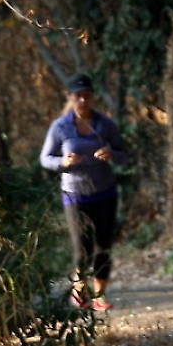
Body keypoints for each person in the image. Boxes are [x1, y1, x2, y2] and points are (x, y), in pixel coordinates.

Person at [39, 73, 128, 311]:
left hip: (105, 192)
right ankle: (79, 288)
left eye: (87, 96)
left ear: (93, 97)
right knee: (82, 248)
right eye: (78, 96)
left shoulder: (105, 124)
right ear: (69, 96)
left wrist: (112, 154)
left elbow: (124, 155)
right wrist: (63, 162)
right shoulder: (60, 127)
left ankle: (99, 295)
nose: (83, 101)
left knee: (103, 246)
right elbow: (45, 158)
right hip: (75, 194)